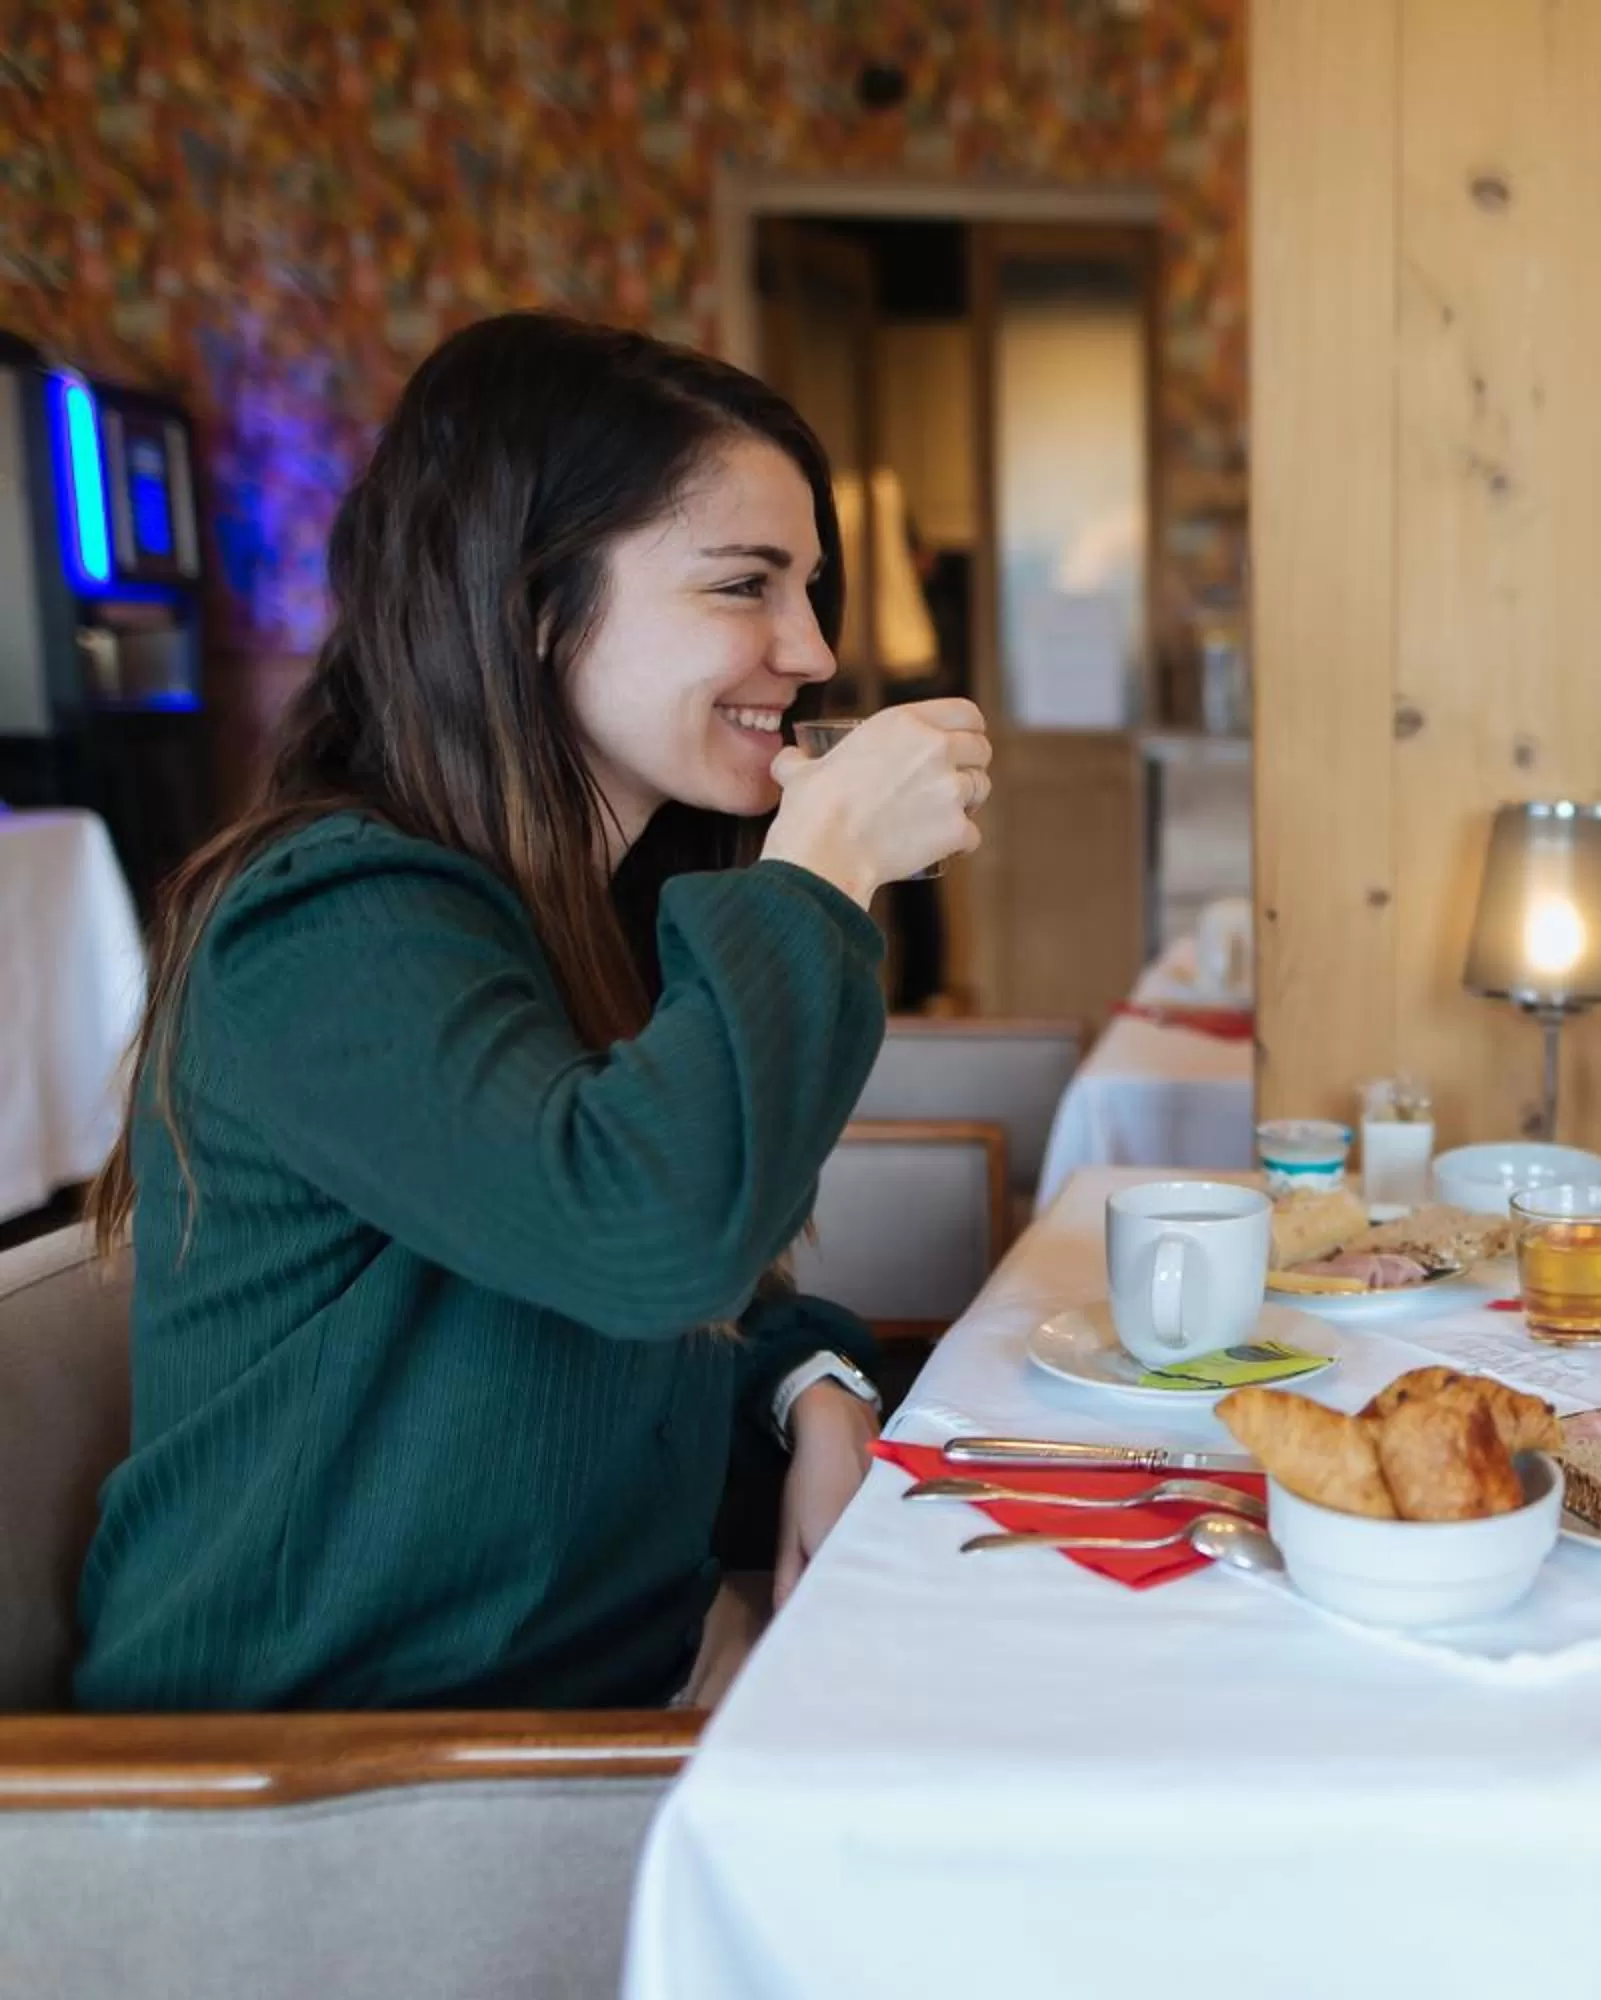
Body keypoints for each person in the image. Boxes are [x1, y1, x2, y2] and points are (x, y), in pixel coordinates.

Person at [74, 313, 991, 1712]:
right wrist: (830, 867)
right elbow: (645, 1239)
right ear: (529, 600)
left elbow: (632, 1299)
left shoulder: (587, 914)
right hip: (323, 1784)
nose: (810, 649)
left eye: (812, 589)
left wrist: (811, 1385)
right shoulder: (322, 922)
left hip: (589, 1692)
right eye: (746, 585)